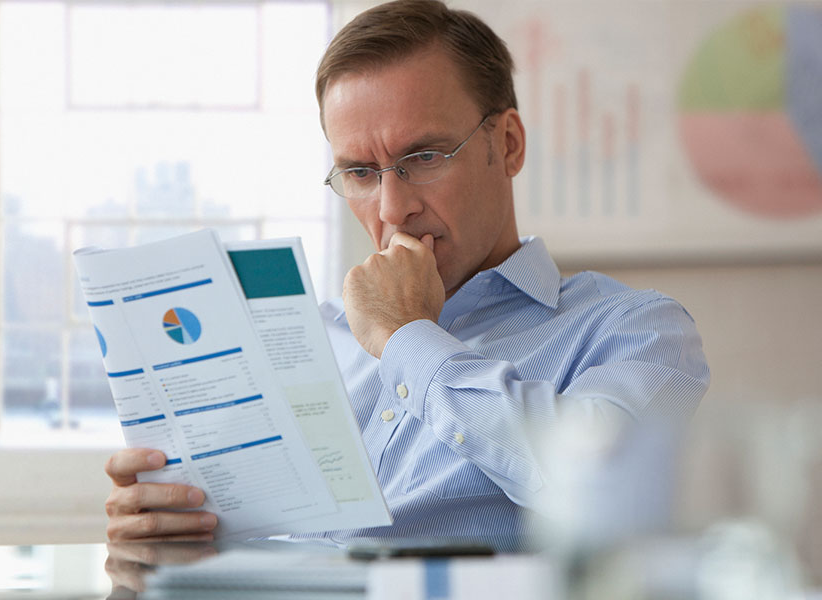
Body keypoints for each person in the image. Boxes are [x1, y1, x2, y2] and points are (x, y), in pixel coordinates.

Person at [103, 0, 709, 543]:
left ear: (510, 145)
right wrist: (173, 527)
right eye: (361, 173)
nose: (393, 210)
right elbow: (240, 536)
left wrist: (406, 338)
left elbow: (604, 494)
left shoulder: (637, 330)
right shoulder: (308, 341)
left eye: (422, 157)